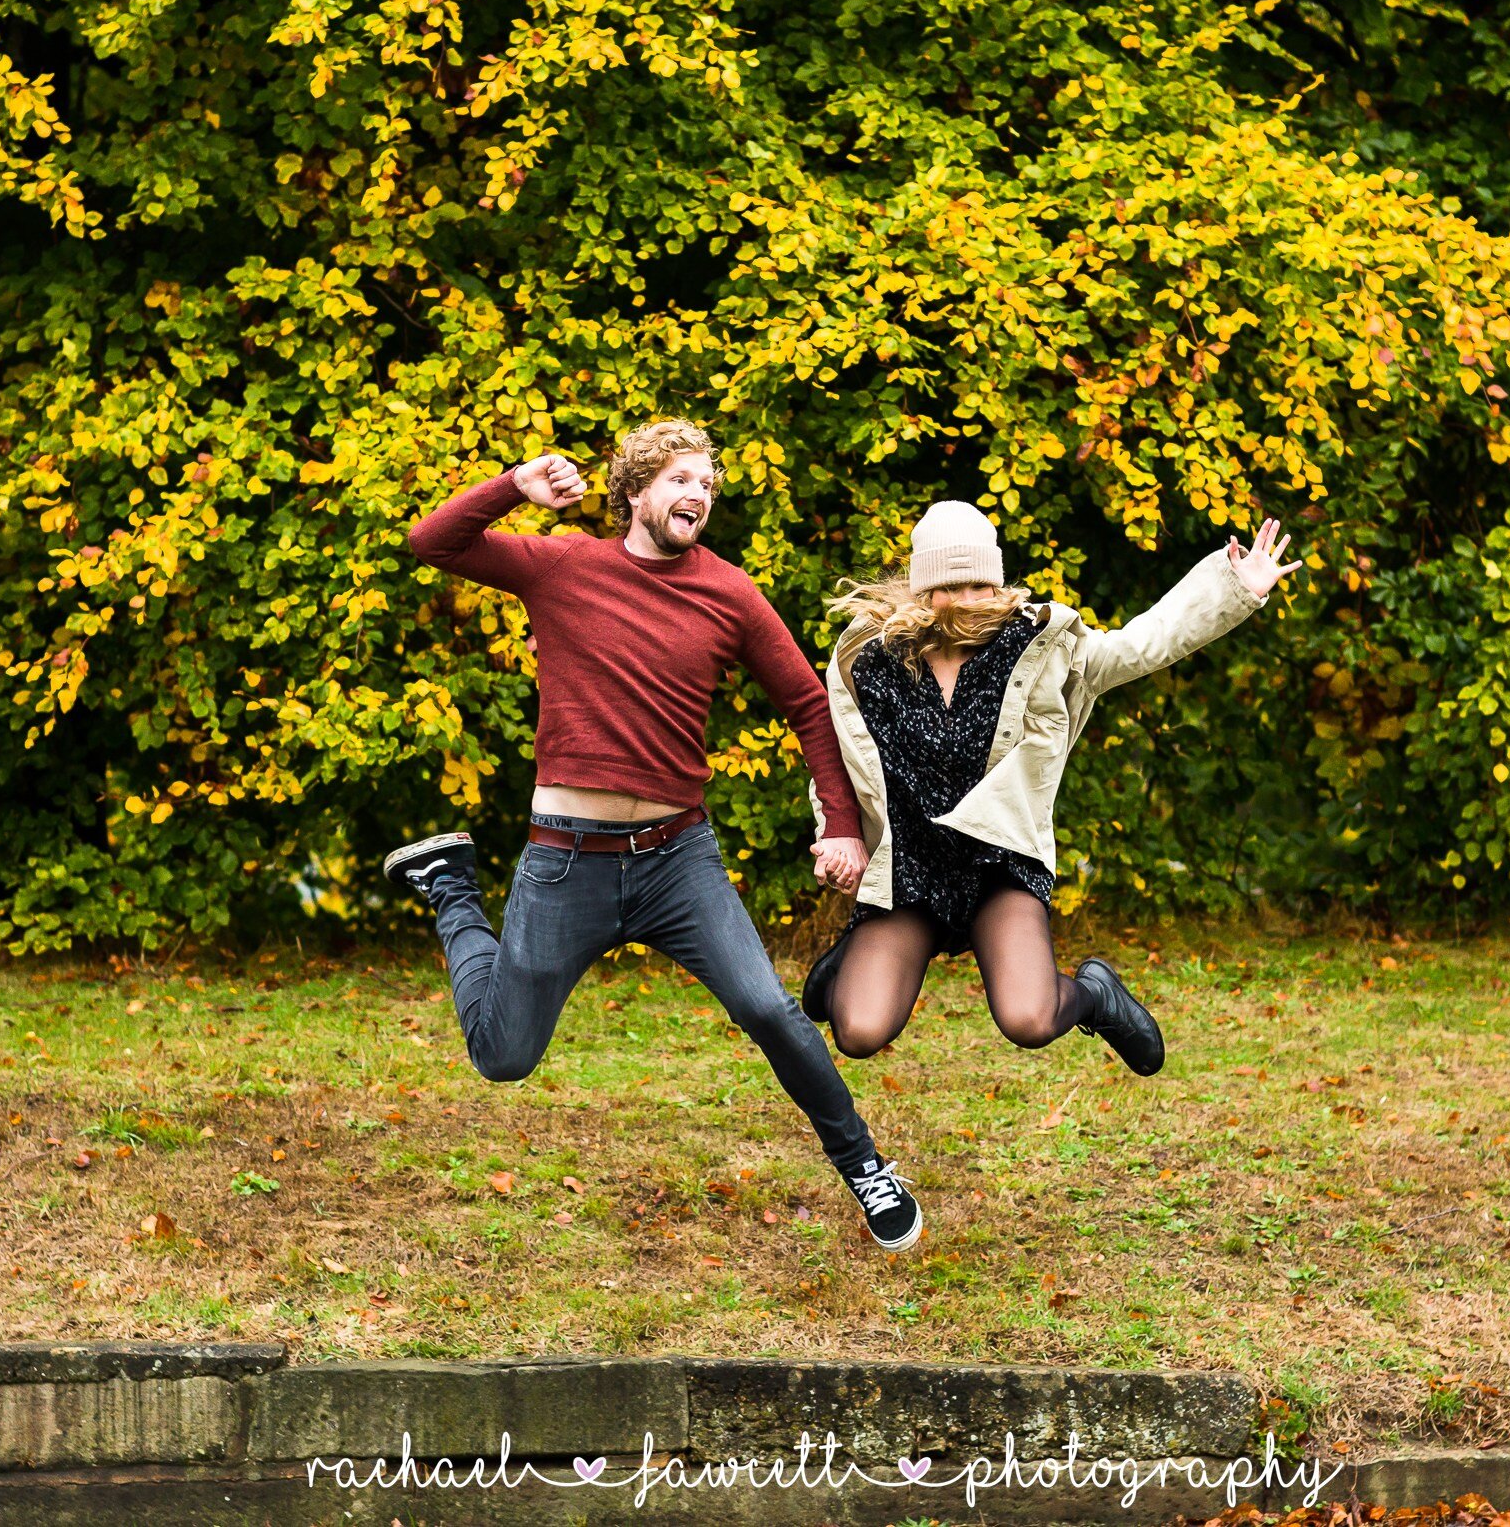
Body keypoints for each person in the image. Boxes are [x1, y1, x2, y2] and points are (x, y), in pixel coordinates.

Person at [383, 418, 921, 1250]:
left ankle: (867, 1169)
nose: (697, 494)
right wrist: (513, 488)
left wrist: (841, 826)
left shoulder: (729, 592)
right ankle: (453, 886)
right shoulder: (563, 565)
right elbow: (432, 541)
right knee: (503, 1057)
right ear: (634, 493)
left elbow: (809, 705)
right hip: (565, 861)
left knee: (769, 1010)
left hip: (678, 860)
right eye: (679, 479)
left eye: (706, 482)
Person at [800, 500, 1300, 1072]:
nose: (968, 601)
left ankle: (1096, 994)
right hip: (910, 871)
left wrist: (1235, 588)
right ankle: (852, 964)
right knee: (859, 1032)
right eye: (951, 587)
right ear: (922, 588)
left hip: (997, 866)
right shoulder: (874, 660)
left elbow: (1143, 644)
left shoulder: (1039, 646)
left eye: (981, 586)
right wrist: (837, 834)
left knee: (1029, 1020)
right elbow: (840, 757)